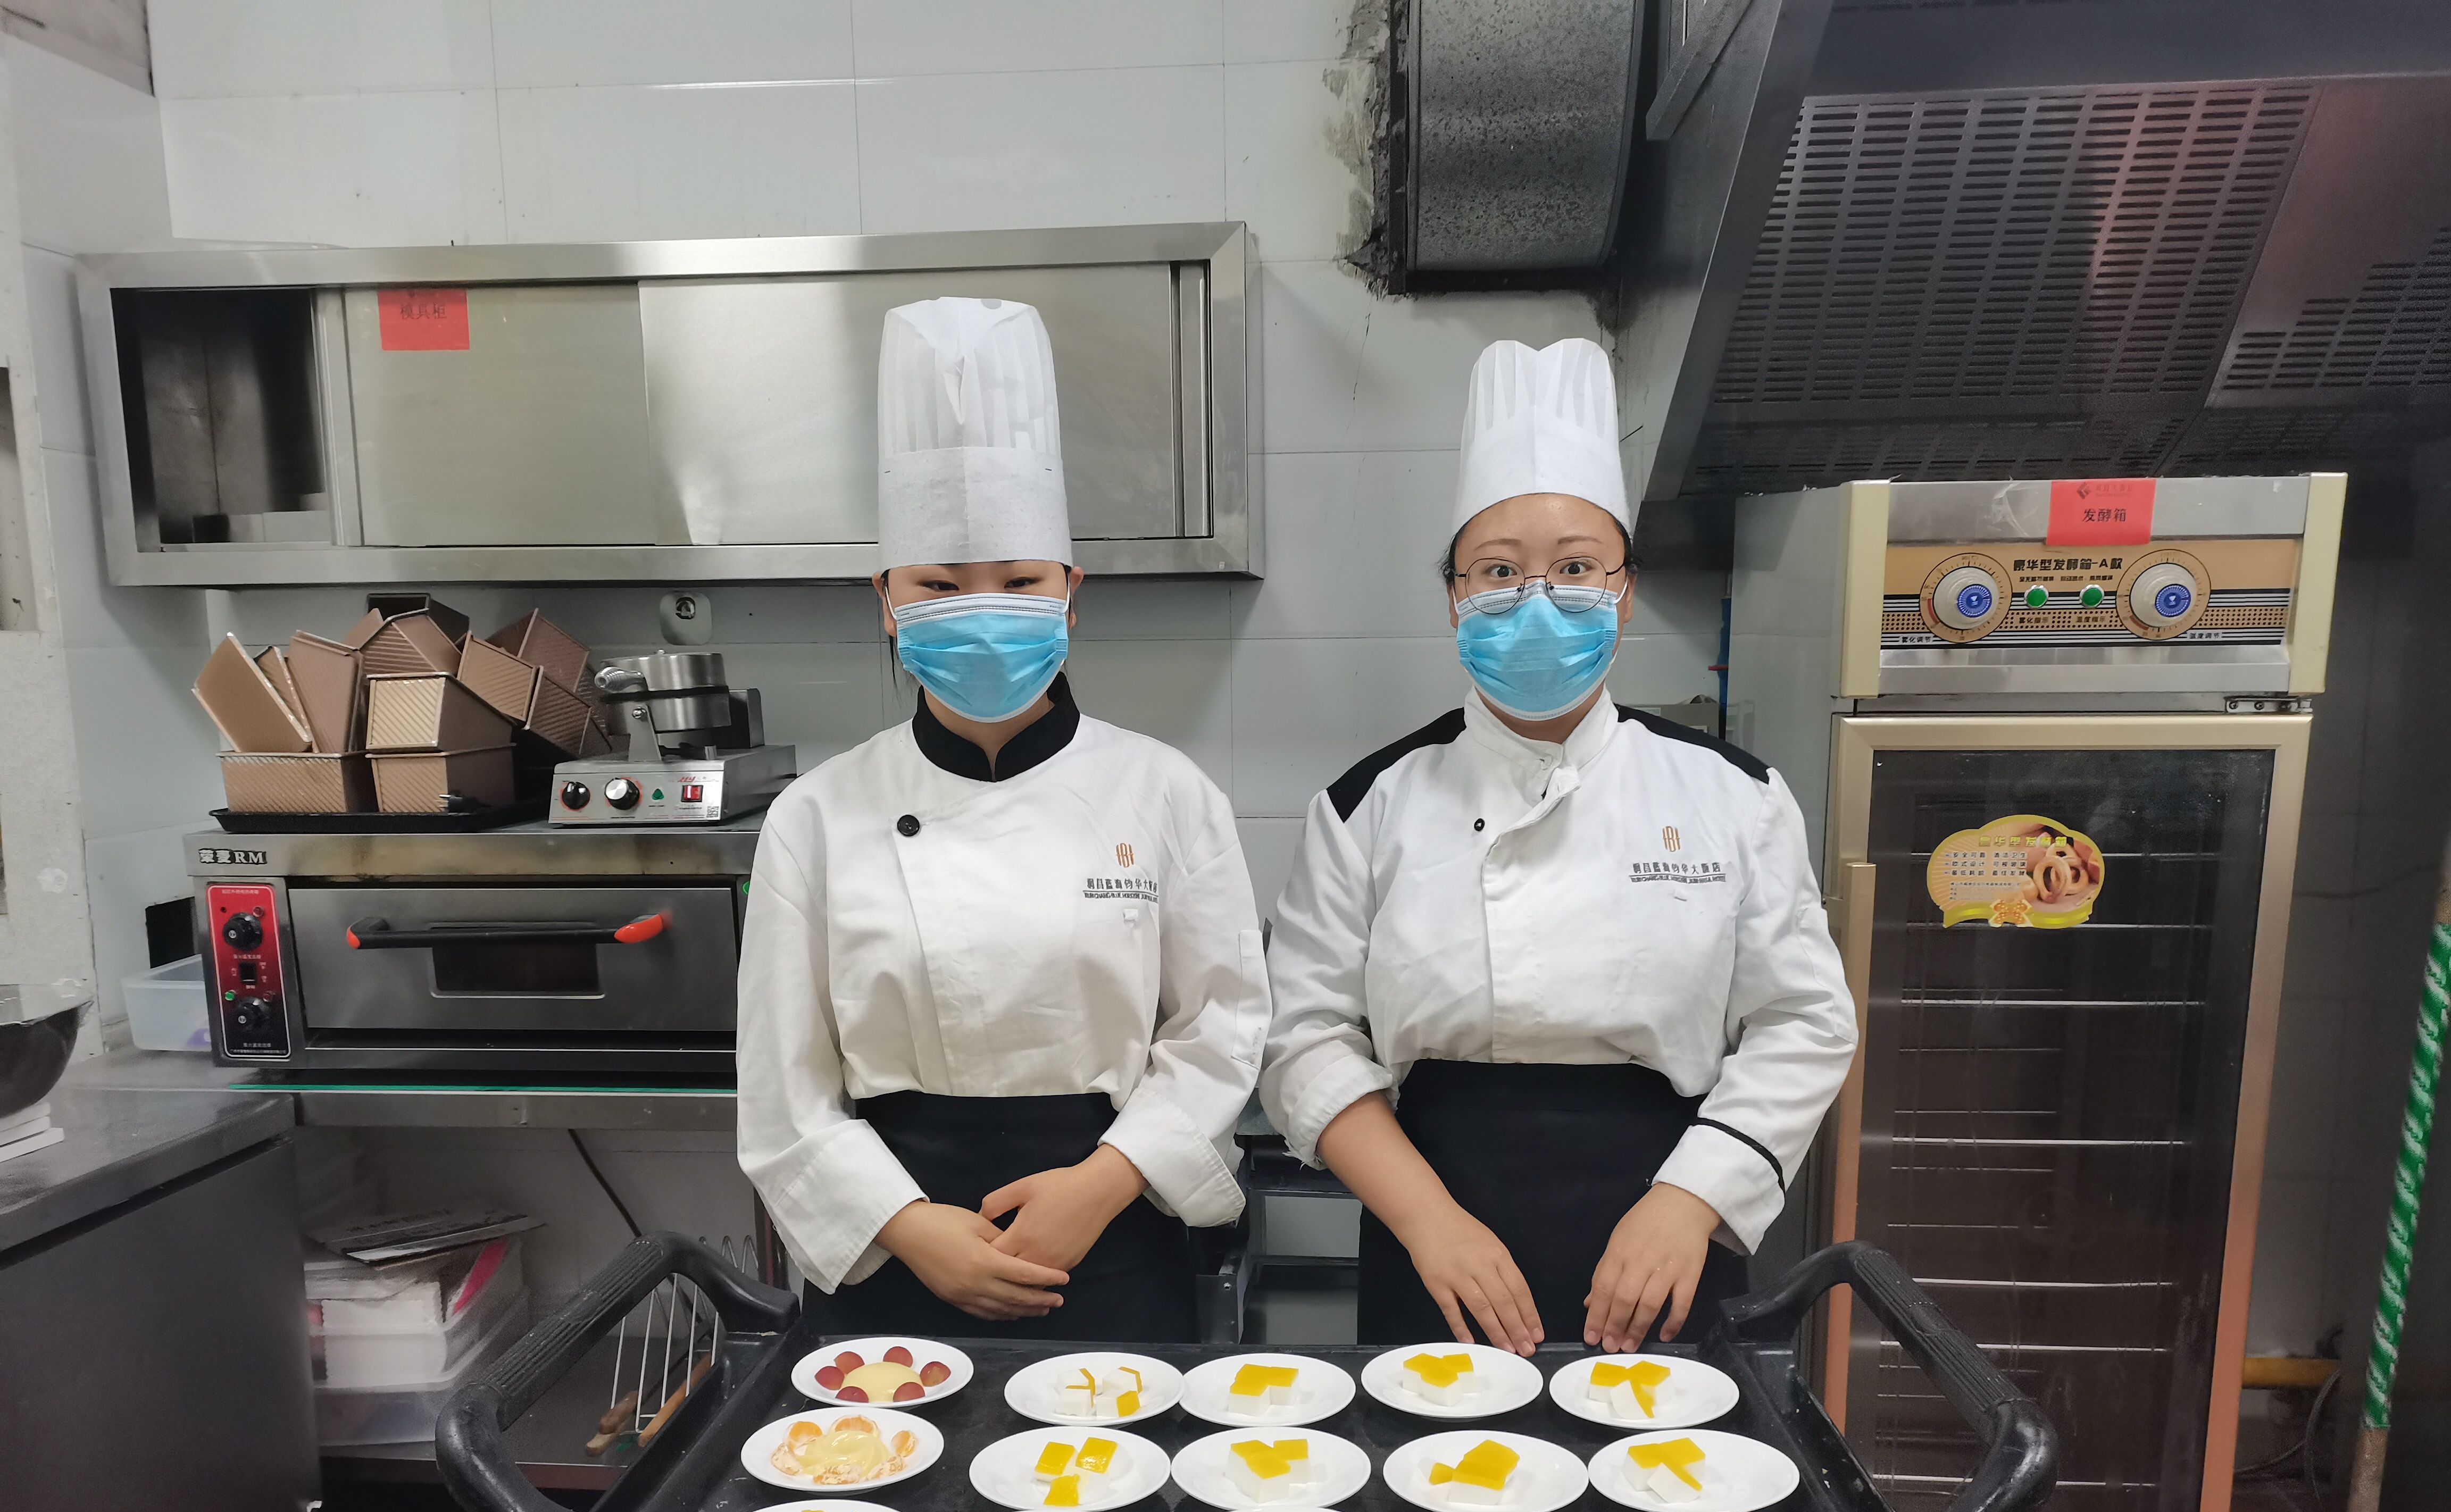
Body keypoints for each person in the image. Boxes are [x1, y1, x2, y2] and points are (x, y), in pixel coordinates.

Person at [1259, 337, 1857, 1356]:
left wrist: (1690, 1201)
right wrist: (1428, 1224)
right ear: (1453, 597)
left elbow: (1803, 1021)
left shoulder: (1733, 795)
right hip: (1435, 1232)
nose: (1536, 600)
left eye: (1576, 568)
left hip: (1667, 1236)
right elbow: (1304, 1036)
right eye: (1498, 572)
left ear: (1624, 589)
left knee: (1667, 1460)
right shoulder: (1370, 804)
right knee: (1432, 1454)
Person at [737, 297, 1266, 1342]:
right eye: (941, 585)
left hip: (1112, 1229)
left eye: (1019, 581)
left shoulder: (1166, 793)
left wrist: (1104, 1184)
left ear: (1071, 592)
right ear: (888, 598)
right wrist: (912, 1228)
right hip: (894, 1246)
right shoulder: (817, 815)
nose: (983, 609)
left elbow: (1222, 1026)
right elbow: (783, 1082)